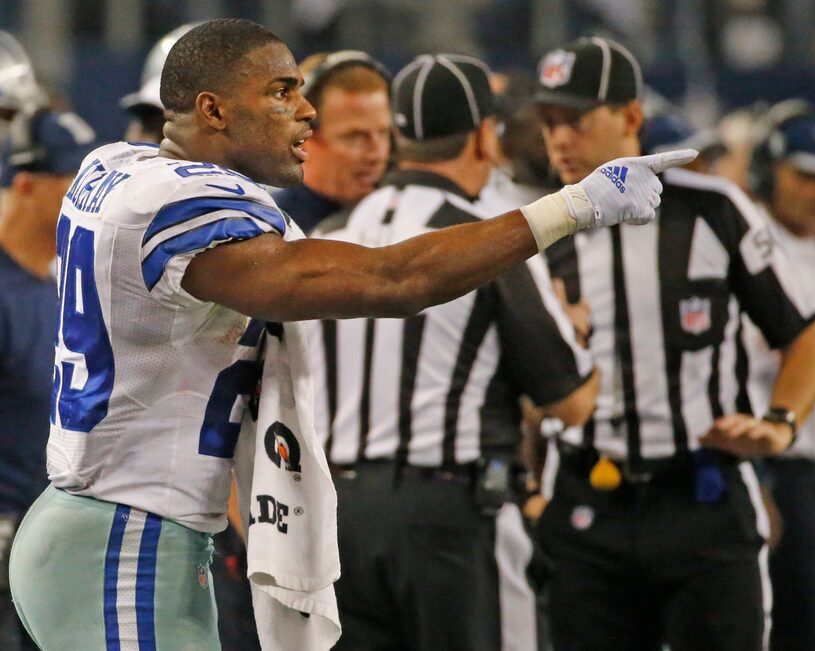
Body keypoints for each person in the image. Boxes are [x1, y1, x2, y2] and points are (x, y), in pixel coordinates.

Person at [7, 19, 691, 650]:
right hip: (126, 535)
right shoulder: (182, 207)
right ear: (212, 109)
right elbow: (393, 280)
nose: (306, 112)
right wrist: (571, 206)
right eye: (281, 92)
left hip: (110, 526)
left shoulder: (115, 168)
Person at [533, 36, 815, 651]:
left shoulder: (713, 210)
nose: (559, 139)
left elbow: (804, 341)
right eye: (549, 122)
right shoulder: (534, 226)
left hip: (704, 497)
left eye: (576, 121)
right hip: (588, 505)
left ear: (631, 118)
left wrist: (780, 423)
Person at [308, 52, 597, 651]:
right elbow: (572, 403)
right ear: (483, 137)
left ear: (400, 139)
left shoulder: (322, 239)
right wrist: (576, 332)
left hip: (334, 519)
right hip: (450, 517)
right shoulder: (486, 240)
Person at [121, 22, 260, 650]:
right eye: (153, 121)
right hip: (175, 515)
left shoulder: (264, 213)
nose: (161, 140)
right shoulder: (150, 217)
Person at [0, 109, 96, 651]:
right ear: (28, 186)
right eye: (73, 185)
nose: (89, 204)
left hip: (51, 553)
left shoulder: (70, 290)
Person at [741, 100, 815, 651]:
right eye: (805, 175)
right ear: (767, 173)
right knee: (797, 627)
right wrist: (759, 482)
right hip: (782, 469)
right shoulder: (747, 245)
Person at [270, 50, 392, 233]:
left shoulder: (409, 214)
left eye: (384, 133)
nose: (377, 154)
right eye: (355, 137)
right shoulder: (267, 228)